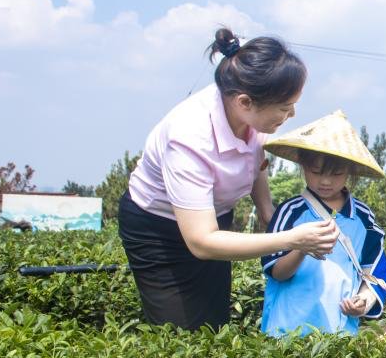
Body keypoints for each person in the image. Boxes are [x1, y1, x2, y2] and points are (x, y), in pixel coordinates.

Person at [118, 28, 338, 331]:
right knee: (180, 332)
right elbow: (202, 242)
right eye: (285, 108)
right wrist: (293, 238)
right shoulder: (189, 137)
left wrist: (266, 211)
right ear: (245, 102)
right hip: (159, 229)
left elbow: (255, 160)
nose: (291, 114)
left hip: (214, 218)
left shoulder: (252, 113)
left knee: (214, 322)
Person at [259, 110, 386, 337]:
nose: (325, 181)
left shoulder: (362, 217)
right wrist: (301, 248)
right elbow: (276, 272)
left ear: (350, 172)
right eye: (316, 171)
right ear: (302, 165)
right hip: (286, 332)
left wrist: (364, 301)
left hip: (338, 333)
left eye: (337, 173)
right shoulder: (290, 212)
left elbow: (377, 274)